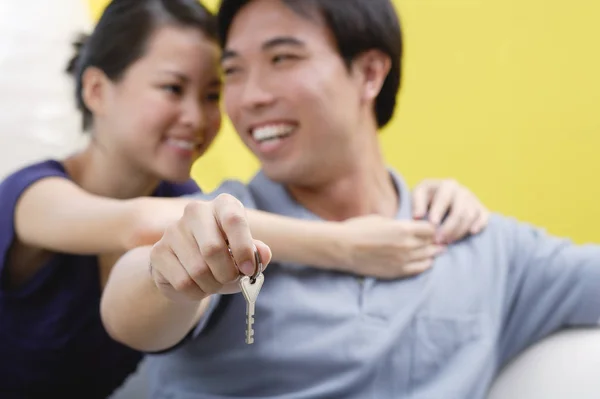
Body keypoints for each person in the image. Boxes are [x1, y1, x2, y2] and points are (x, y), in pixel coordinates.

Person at [101, 0, 600, 398]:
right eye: (233, 72)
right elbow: (136, 305)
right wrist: (166, 276)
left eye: (282, 59)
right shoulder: (227, 220)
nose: (249, 97)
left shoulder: (486, 247)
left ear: (368, 74)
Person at [0, 0, 489, 398]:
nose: (196, 116)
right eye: (173, 88)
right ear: (97, 90)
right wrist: (347, 244)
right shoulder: (32, 193)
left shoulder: (185, 200)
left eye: (213, 94)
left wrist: (440, 197)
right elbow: (140, 223)